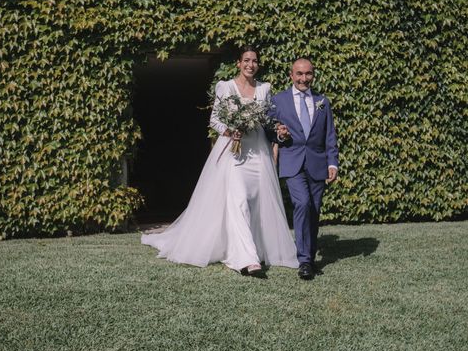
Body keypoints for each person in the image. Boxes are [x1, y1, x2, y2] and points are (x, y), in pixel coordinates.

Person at [141, 47, 299, 276]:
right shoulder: (225, 87)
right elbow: (215, 119)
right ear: (238, 63)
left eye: (255, 61)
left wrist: (278, 130)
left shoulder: (264, 89)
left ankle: (257, 247)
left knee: (257, 203)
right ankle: (246, 259)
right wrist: (230, 131)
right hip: (234, 155)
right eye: (246, 60)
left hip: (258, 153)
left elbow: (267, 121)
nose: (250, 65)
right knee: (239, 201)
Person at [269, 58, 339, 280]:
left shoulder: (322, 101)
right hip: (292, 162)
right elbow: (269, 130)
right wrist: (279, 134)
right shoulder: (278, 100)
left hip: (317, 163)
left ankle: (308, 254)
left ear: (313, 75)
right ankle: (304, 261)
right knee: (302, 203)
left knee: (314, 209)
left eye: (308, 74)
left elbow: (330, 135)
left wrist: (332, 162)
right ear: (291, 75)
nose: (303, 78)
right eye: (299, 74)